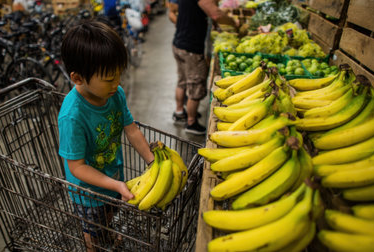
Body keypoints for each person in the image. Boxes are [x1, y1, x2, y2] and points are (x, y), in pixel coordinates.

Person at [58, 20, 155, 252]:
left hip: (113, 176)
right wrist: (115, 184)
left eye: (118, 75)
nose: (117, 83)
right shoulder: (73, 115)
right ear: (78, 78)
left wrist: (152, 161)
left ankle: (107, 237)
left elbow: (130, 128)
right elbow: (77, 167)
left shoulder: (115, 94)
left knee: (108, 217)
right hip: (88, 192)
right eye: (109, 78)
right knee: (92, 229)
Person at [171, 0, 239, 135]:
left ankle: (179, 112)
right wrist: (233, 22)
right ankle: (191, 122)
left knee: (182, 81)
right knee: (196, 86)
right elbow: (215, 14)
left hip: (179, 43)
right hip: (191, 48)